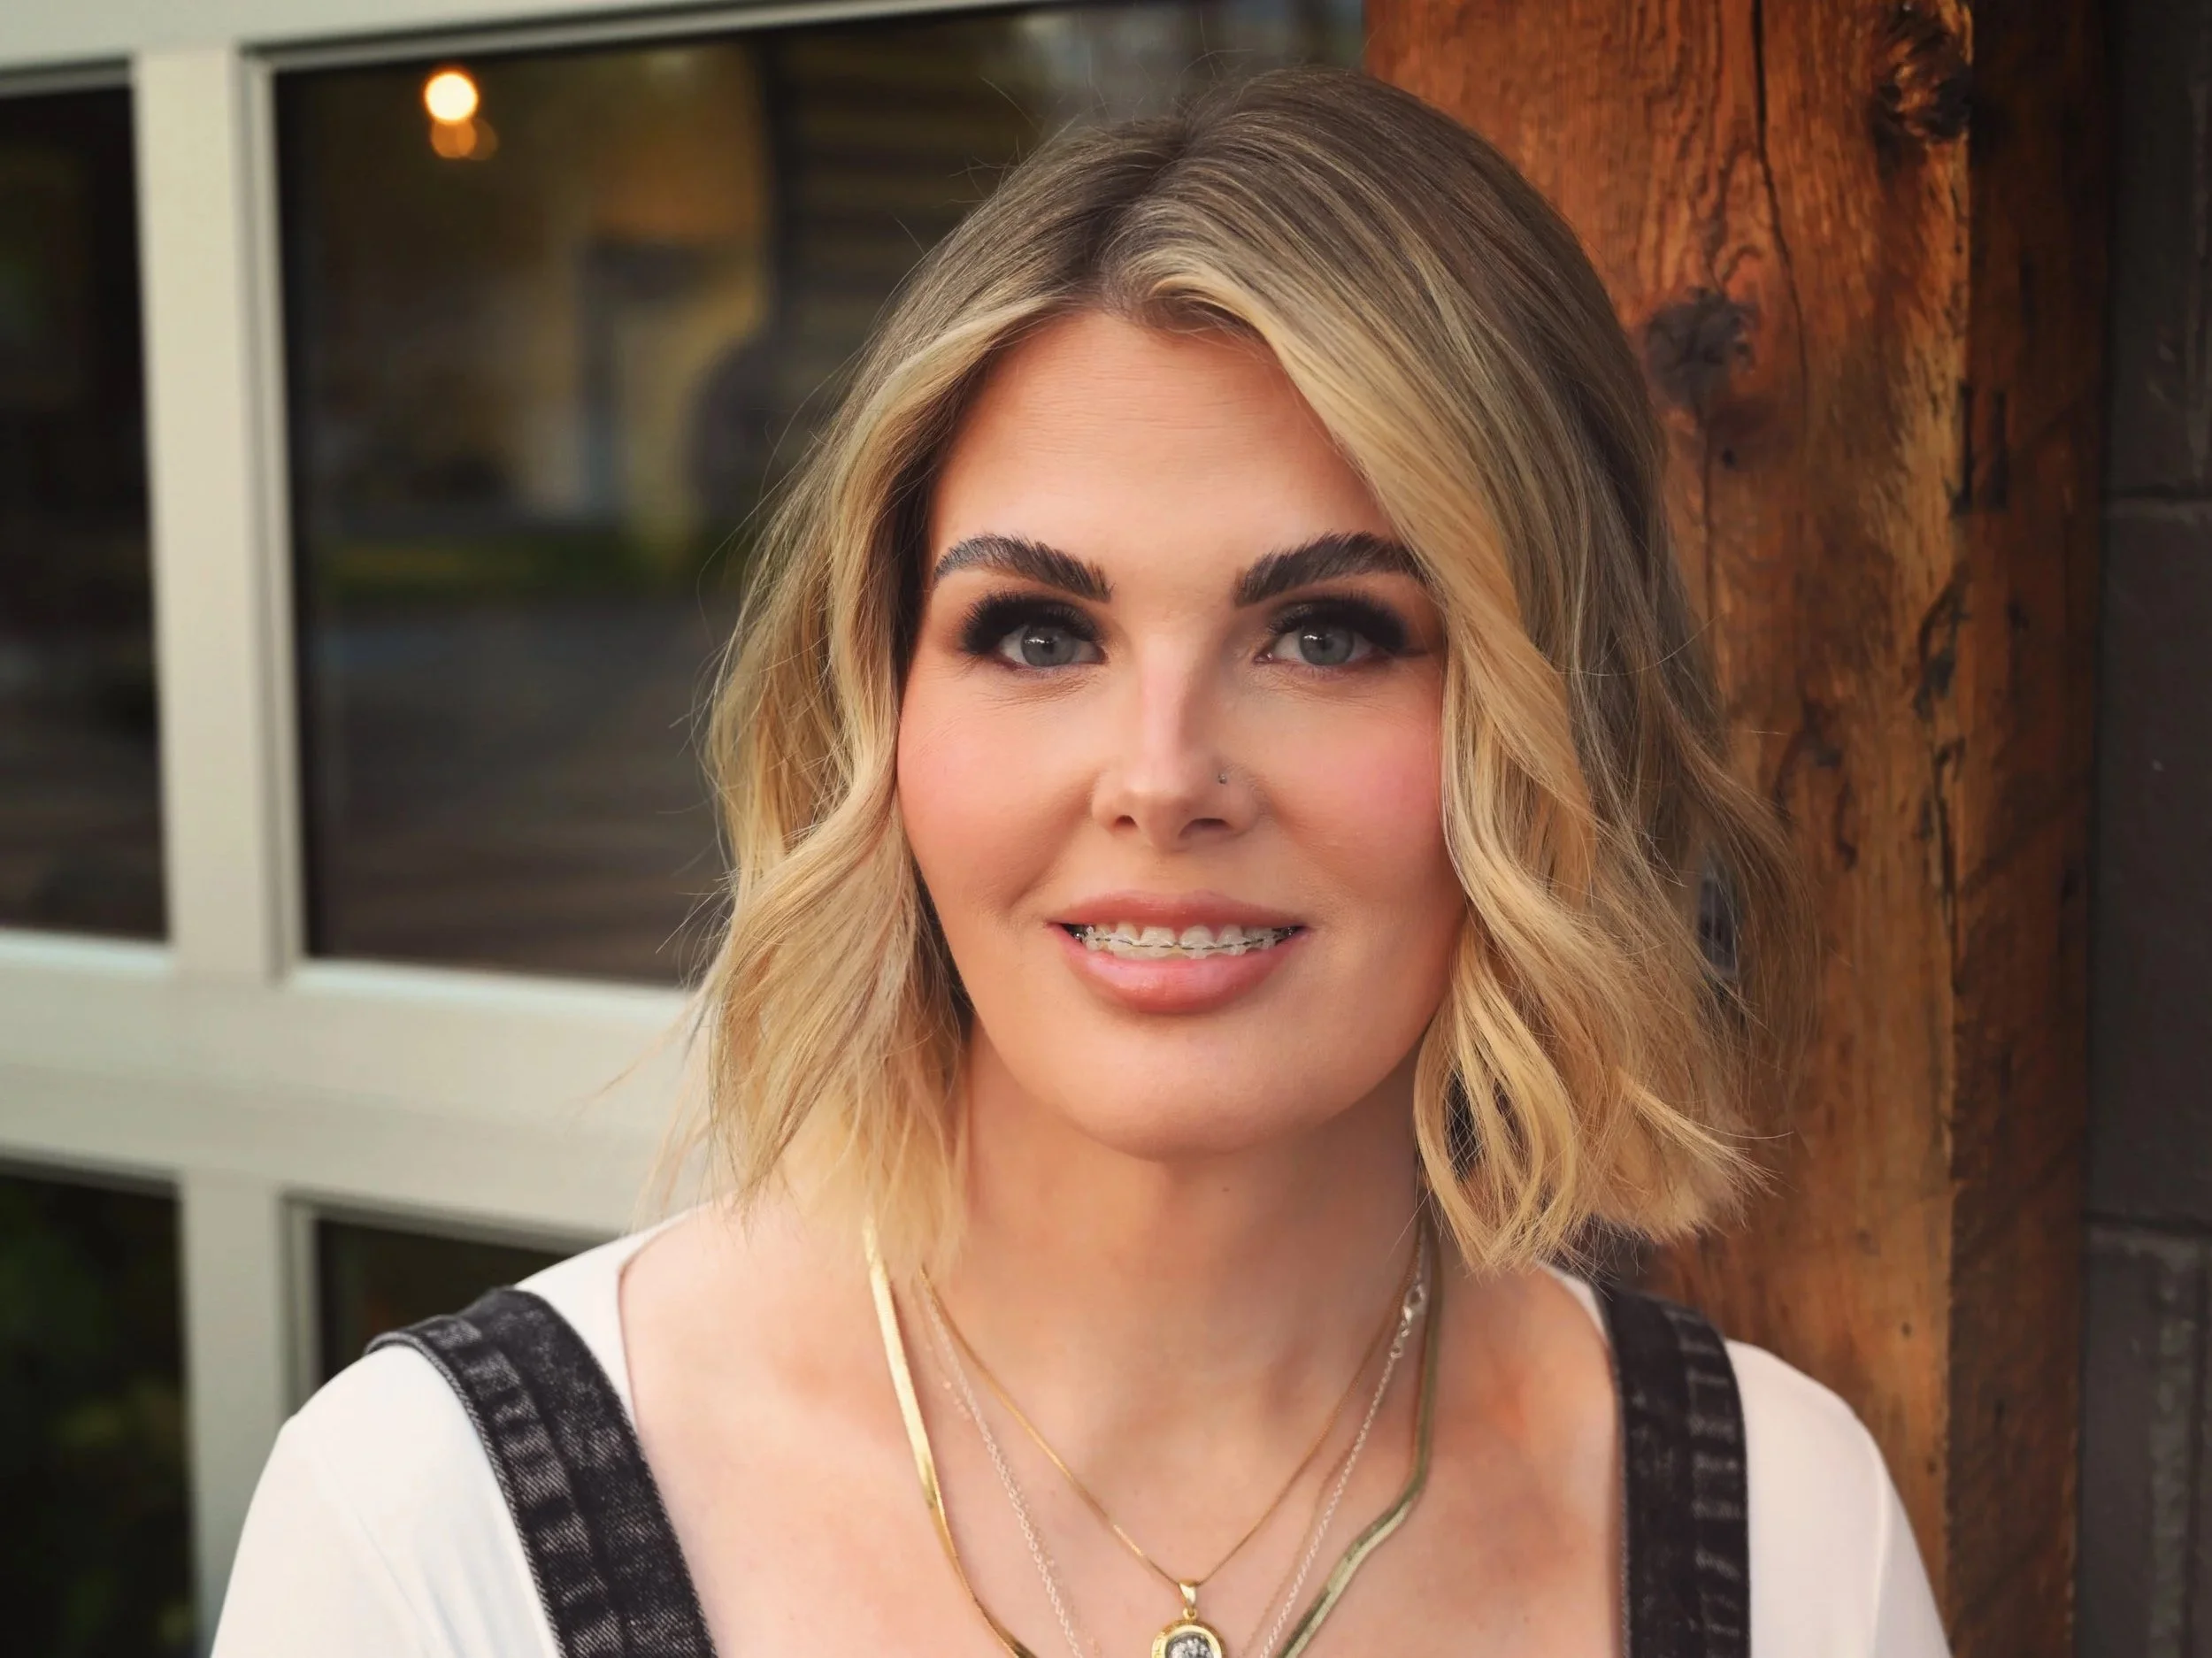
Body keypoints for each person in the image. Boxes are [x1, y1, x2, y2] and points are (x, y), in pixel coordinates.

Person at [212, 65, 1948, 1657]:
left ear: (1551, 714)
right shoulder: (433, 1533)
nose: (1159, 775)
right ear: (875, 712)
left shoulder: (1785, 1528)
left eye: (1327, 633)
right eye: (1036, 632)